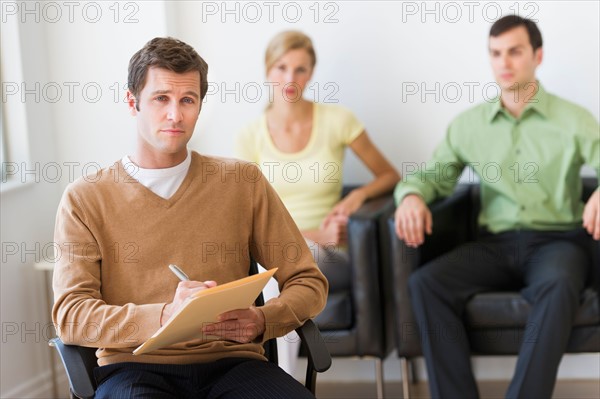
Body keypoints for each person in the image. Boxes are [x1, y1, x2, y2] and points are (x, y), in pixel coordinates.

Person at [52, 37, 328, 399]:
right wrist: (166, 316)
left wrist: (265, 319)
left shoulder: (242, 183)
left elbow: (309, 281)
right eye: (161, 99)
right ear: (132, 102)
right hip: (134, 370)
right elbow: (72, 316)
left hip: (234, 365)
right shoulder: (85, 198)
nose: (175, 115)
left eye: (188, 100)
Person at [394, 15, 599, 399]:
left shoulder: (574, 120)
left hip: (558, 243)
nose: (504, 63)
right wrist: (410, 195)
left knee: (558, 282)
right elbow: (433, 174)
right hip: (496, 245)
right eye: (495, 53)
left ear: (538, 55)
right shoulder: (468, 126)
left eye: (515, 52)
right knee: (426, 282)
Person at [235, 29, 399, 304]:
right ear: (268, 70)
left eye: (300, 69)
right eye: (282, 67)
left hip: (329, 253)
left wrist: (357, 196)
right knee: (272, 270)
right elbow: (245, 221)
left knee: (276, 272)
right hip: (275, 253)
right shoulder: (249, 136)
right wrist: (311, 235)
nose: (290, 79)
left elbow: (390, 175)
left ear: (310, 73)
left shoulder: (338, 120)